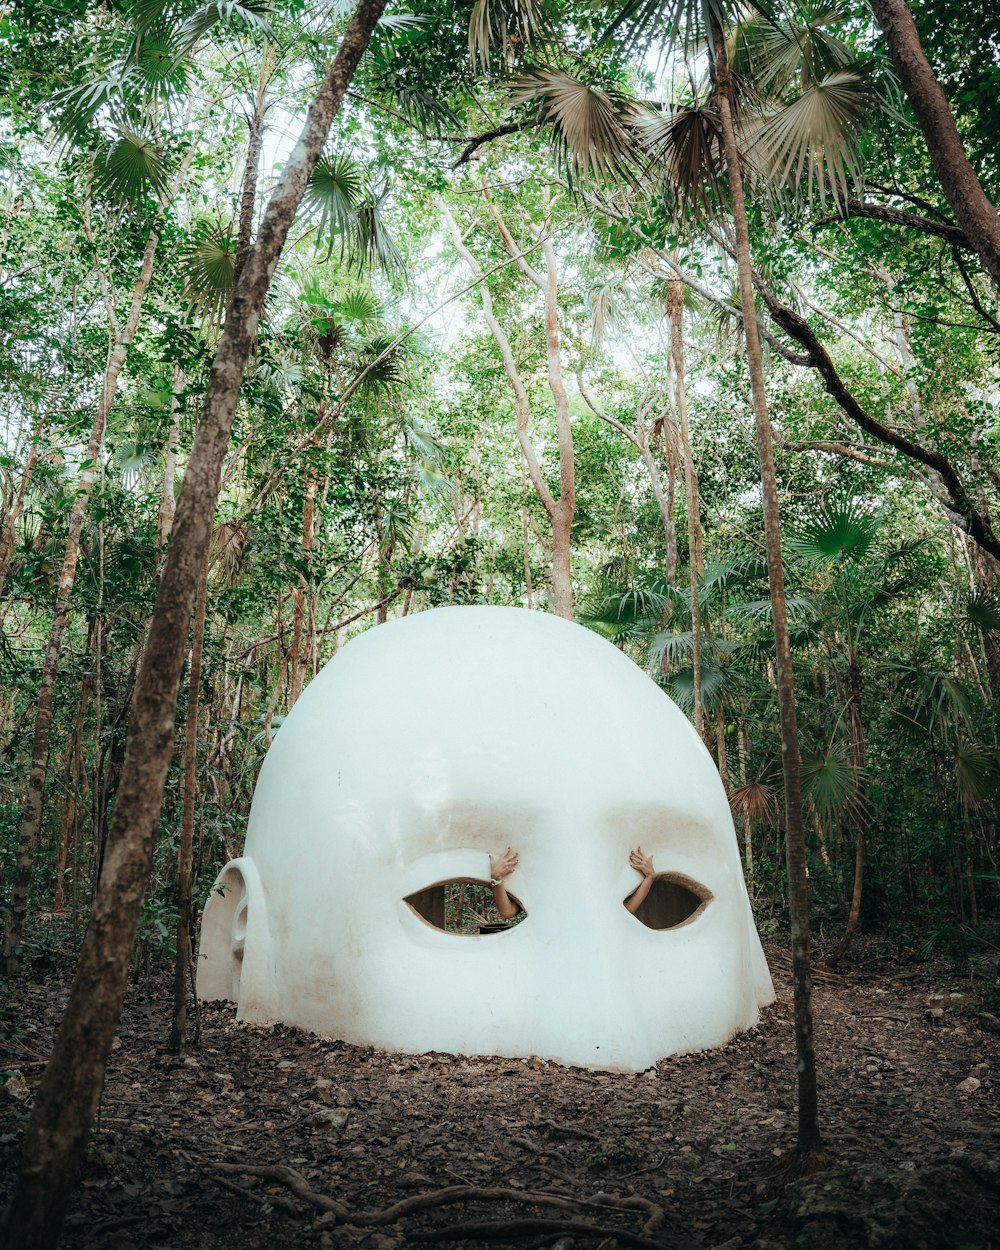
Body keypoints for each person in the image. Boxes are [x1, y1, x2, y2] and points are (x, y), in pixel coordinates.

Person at [488, 844, 656, 918]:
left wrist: (650, 877)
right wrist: (496, 879)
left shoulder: (595, 891)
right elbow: (507, 912)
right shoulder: (544, 890)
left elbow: (628, 909)